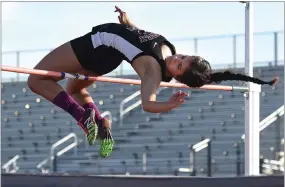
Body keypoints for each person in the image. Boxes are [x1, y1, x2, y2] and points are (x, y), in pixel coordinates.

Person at [27, 6, 278, 158]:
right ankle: (99, 122)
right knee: (75, 87)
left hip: (96, 46)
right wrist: (129, 23)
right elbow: (139, 38)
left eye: (179, 65)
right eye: (183, 56)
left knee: (36, 79)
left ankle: (82, 117)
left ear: (178, 76)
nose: (176, 58)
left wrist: (169, 105)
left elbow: (148, 103)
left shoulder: (153, 73)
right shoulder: (169, 50)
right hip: (109, 55)